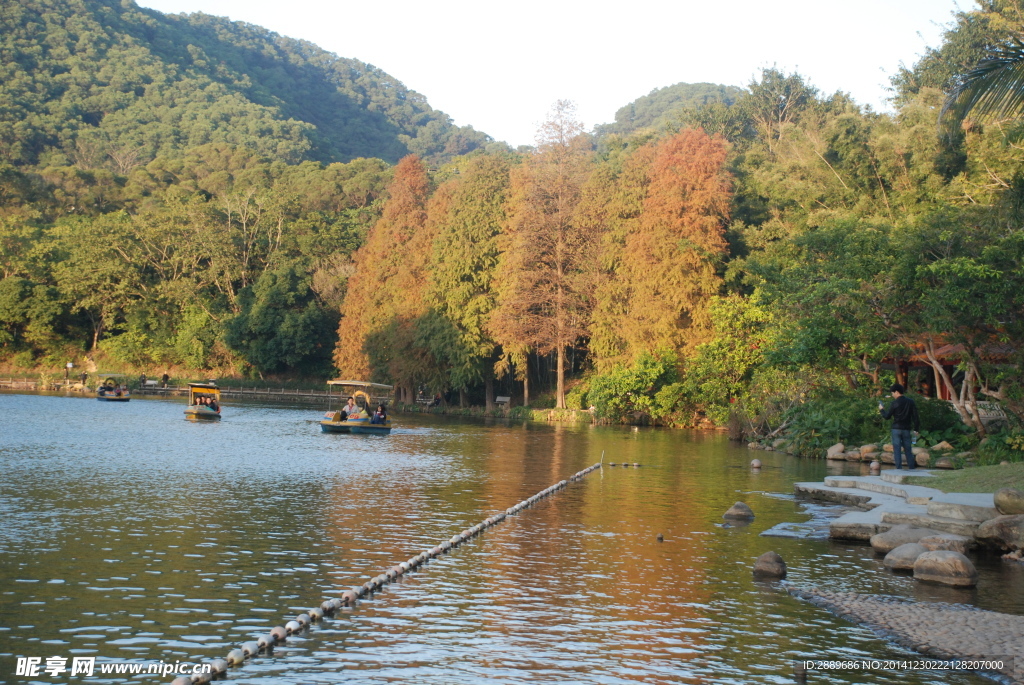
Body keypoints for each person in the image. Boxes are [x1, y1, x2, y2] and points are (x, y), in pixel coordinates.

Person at [880, 383, 921, 470]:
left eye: (892, 393)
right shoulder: (910, 402)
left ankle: (898, 469)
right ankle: (911, 468)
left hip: (896, 429)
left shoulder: (894, 403)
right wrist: (916, 429)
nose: (892, 395)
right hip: (906, 429)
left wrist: (882, 410)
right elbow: (915, 417)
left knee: (897, 450)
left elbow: (887, 416)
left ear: (897, 392)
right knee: (908, 450)